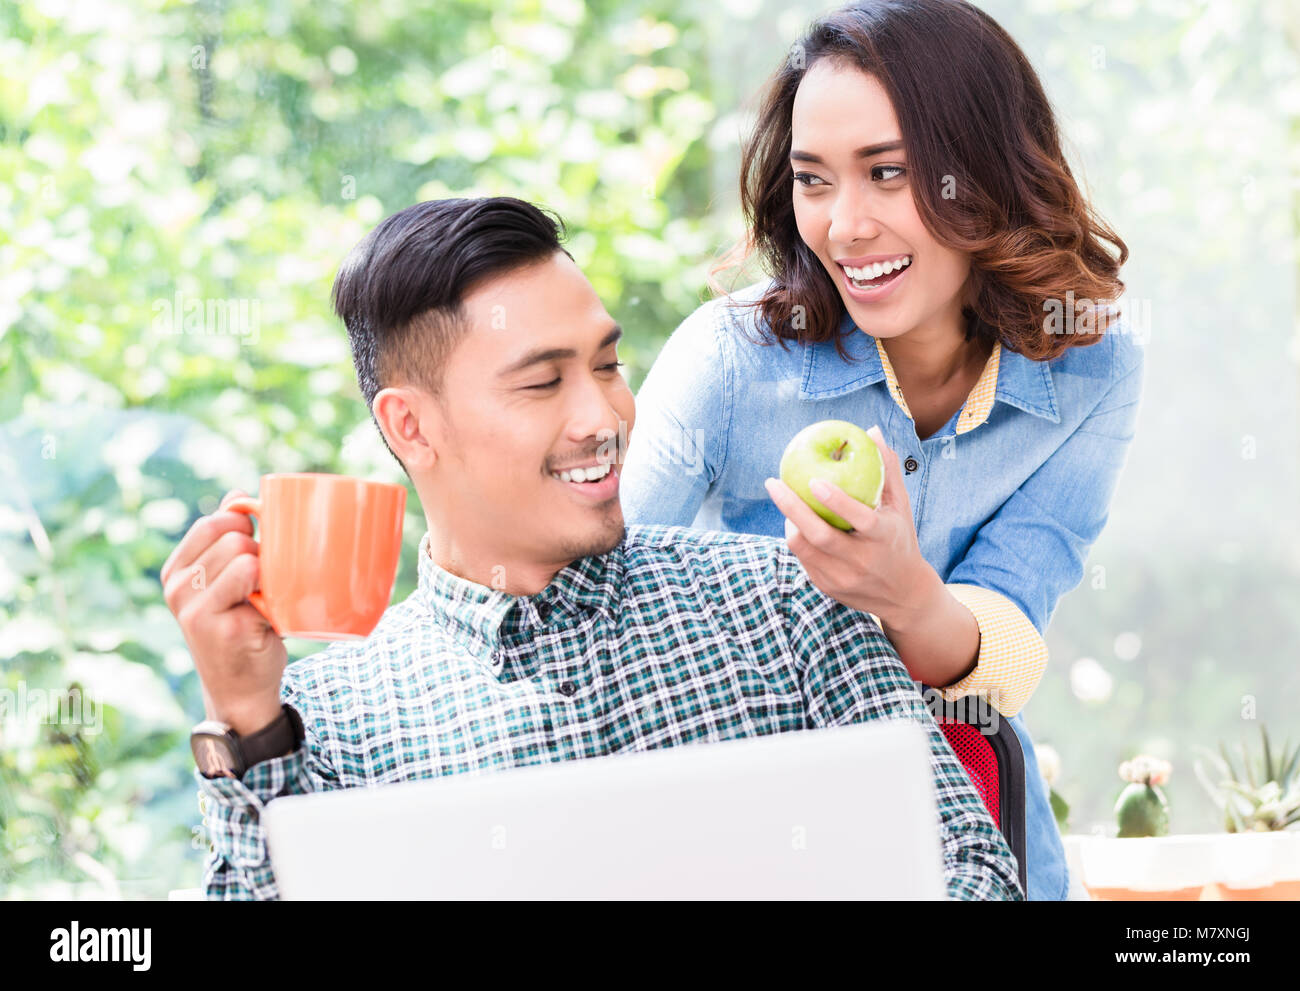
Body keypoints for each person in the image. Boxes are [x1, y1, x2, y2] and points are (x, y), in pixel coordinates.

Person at [160, 196, 1022, 901]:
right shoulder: (331, 723)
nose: (604, 418)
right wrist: (247, 722)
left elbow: (975, 878)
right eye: (543, 381)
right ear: (412, 427)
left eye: (607, 365)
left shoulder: (788, 603)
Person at [619, 0, 1145, 901]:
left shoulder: (1090, 366)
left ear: (988, 170)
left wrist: (905, 596)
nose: (844, 226)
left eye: (889, 172)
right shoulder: (730, 363)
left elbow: (1009, 641)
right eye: (813, 179)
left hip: (968, 830)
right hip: (739, 834)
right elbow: (599, 603)